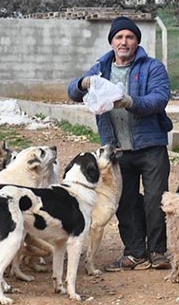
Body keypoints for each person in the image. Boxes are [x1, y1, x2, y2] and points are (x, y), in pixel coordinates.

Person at [67, 16, 173, 271]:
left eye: (130, 37)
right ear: (112, 42)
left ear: (137, 42)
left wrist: (129, 102)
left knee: (155, 200)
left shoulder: (152, 67)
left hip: (150, 147)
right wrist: (83, 84)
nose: (124, 42)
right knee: (125, 201)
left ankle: (157, 251)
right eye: (119, 37)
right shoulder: (100, 69)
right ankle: (135, 252)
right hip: (116, 150)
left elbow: (159, 98)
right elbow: (72, 91)